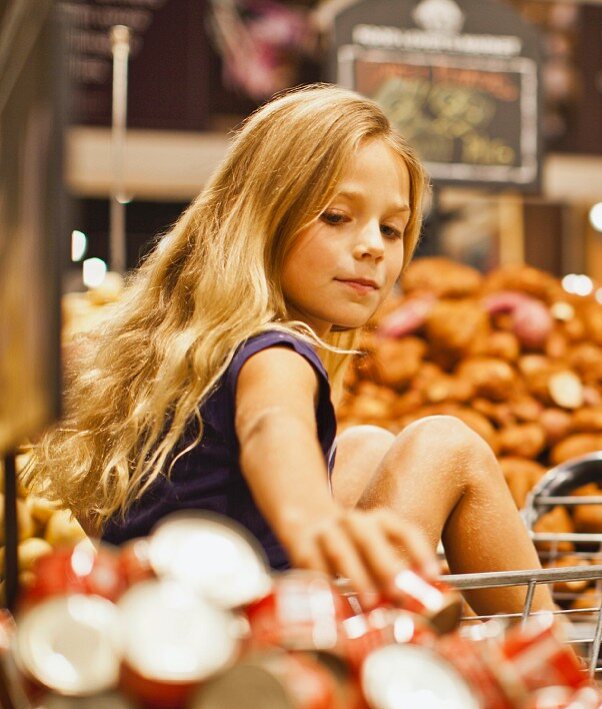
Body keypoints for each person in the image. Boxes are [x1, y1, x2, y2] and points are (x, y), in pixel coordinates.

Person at [22, 84, 551, 616]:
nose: (371, 246)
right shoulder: (276, 354)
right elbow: (271, 426)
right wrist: (312, 521)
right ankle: (554, 666)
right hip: (275, 639)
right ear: (262, 214)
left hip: (169, 638)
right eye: (336, 217)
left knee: (365, 445)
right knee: (445, 443)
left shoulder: (146, 356)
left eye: (391, 229)